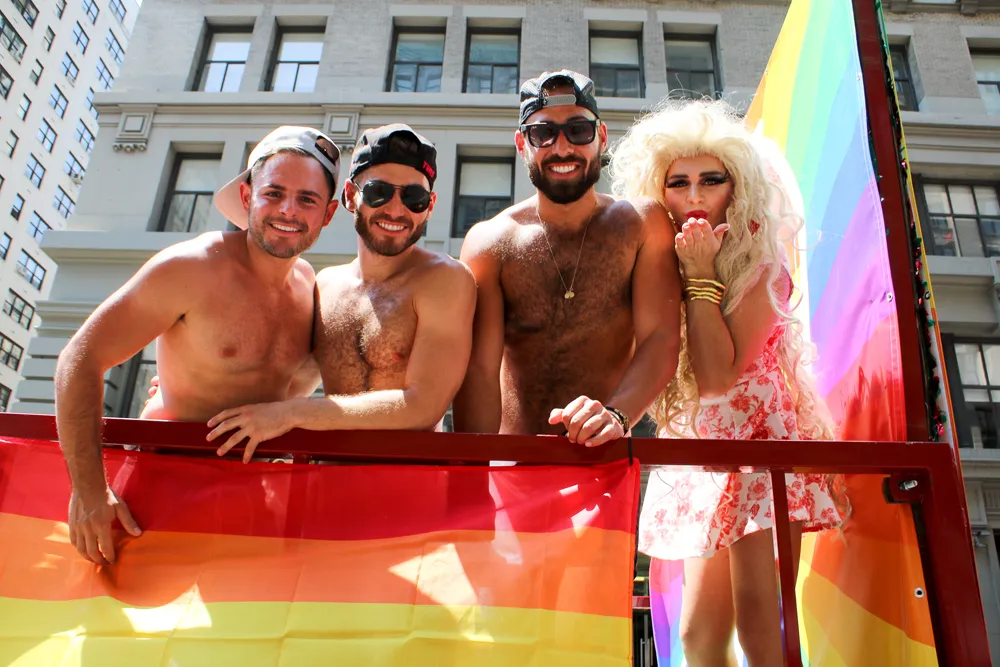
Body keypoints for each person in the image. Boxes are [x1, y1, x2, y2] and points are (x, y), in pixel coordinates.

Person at [610, 100, 845, 666]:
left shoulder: (764, 264)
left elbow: (718, 376)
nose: (694, 194)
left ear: (737, 187)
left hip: (760, 451)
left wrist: (700, 274)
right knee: (697, 637)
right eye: (679, 182)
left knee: (763, 628)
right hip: (701, 452)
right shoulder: (656, 261)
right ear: (658, 191)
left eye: (710, 180)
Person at [54, 126, 342, 566]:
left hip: (253, 501)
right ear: (246, 196)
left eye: (307, 199)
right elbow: (79, 359)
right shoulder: (191, 267)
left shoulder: (311, 289)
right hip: (161, 493)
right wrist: (91, 491)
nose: (288, 210)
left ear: (329, 213)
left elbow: (288, 391)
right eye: (273, 193)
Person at [203, 124, 476, 459]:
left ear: (430, 205)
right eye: (378, 192)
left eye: (414, 198)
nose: (395, 210)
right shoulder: (324, 286)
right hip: (323, 478)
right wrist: (200, 389)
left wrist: (292, 414)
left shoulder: (446, 280)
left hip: (410, 483)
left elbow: (422, 407)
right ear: (349, 195)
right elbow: (287, 383)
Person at [453, 70, 681, 444]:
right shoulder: (489, 242)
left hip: (604, 455)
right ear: (521, 143)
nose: (562, 148)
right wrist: (477, 467)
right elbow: (479, 370)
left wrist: (616, 415)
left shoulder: (642, 224)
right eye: (542, 133)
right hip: (512, 462)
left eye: (578, 130)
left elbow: (660, 338)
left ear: (601, 137)